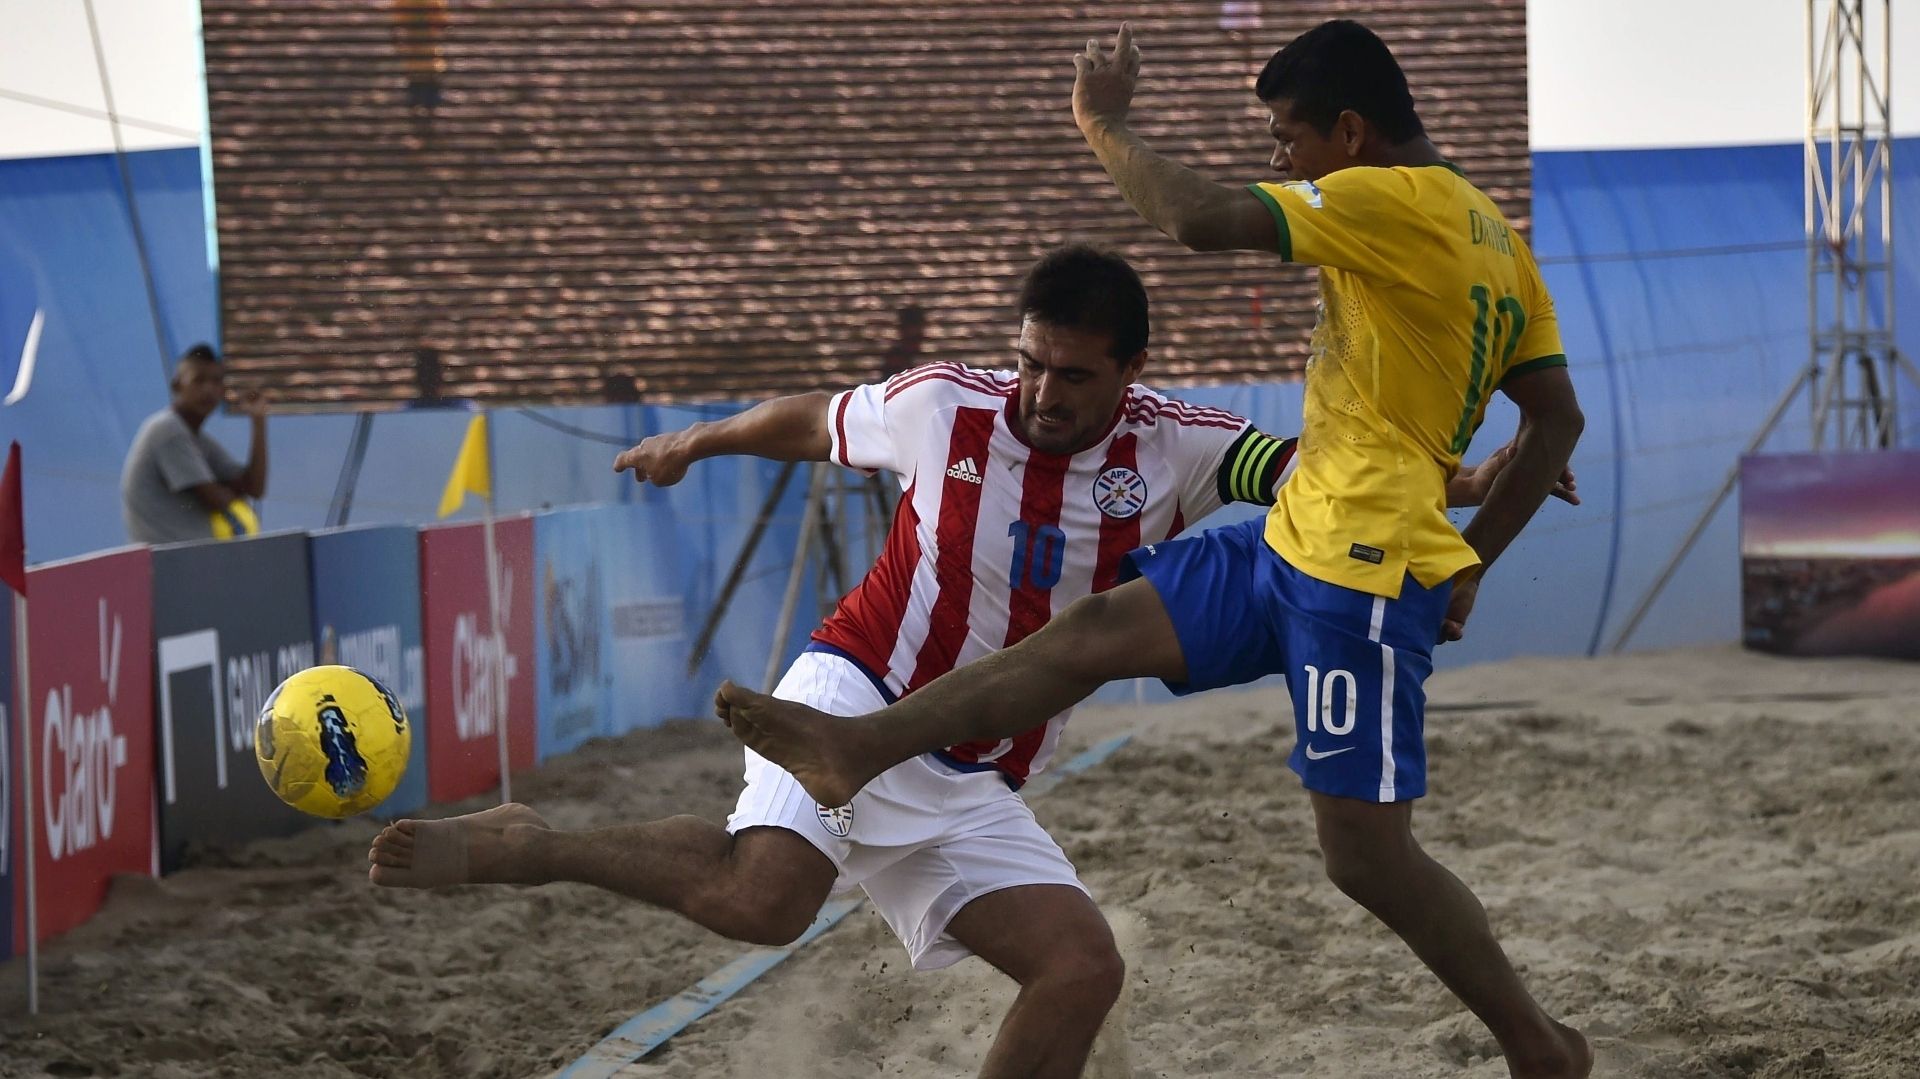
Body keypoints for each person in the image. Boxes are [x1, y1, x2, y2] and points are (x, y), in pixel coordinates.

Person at [366, 245, 1552, 1079]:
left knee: (1080, 969)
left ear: (1129, 372)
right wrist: (696, 438)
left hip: (973, 762)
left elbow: (1317, 478)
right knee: (763, 898)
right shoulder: (942, 405)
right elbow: (810, 417)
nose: (1041, 391)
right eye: (1031, 361)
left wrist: (1470, 478)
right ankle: (532, 848)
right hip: (857, 687)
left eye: (1073, 373)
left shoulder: (1184, 447)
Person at [718, 22, 1591, 1079]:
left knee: (1366, 856)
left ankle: (1542, 1048)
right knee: (1084, 632)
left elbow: (1194, 218)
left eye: (1288, 136)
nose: (1280, 159)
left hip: (1362, 573)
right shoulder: (1499, 237)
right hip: (1296, 540)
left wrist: (1102, 121)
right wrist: (1480, 551)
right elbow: (1555, 424)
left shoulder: (1388, 197)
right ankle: (859, 747)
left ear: (1350, 132)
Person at [121, 343, 269, 545]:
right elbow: (215, 500)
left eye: (216, 381)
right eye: (198, 381)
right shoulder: (167, 429)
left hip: (192, 562)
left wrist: (258, 420)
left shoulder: (198, 439)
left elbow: (255, 487)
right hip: (169, 565)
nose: (208, 389)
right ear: (177, 386)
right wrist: (230, 490)